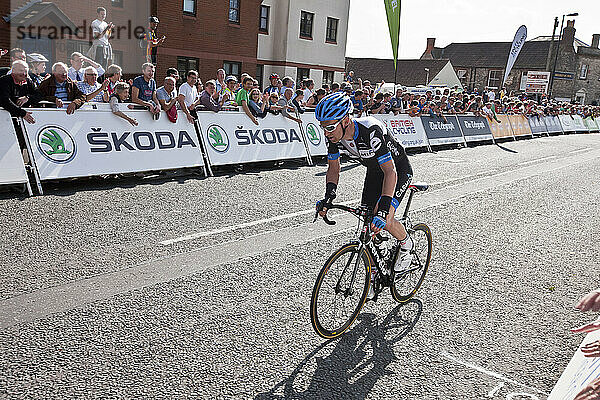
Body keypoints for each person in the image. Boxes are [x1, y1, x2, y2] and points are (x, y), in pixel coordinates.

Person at [314, 92, 415, 299]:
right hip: (374, 172)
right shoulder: (334, 137)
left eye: (330, 126)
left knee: (384, 218)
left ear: (345, 120)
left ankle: (406, 244)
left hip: (397, 169)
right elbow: (334, 168)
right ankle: (376, 268)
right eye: (322, 127)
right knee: (366, 221)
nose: (326, 132)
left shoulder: (371, 130)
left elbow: (391, 172)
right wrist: (328, 197)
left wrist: (385, 209)